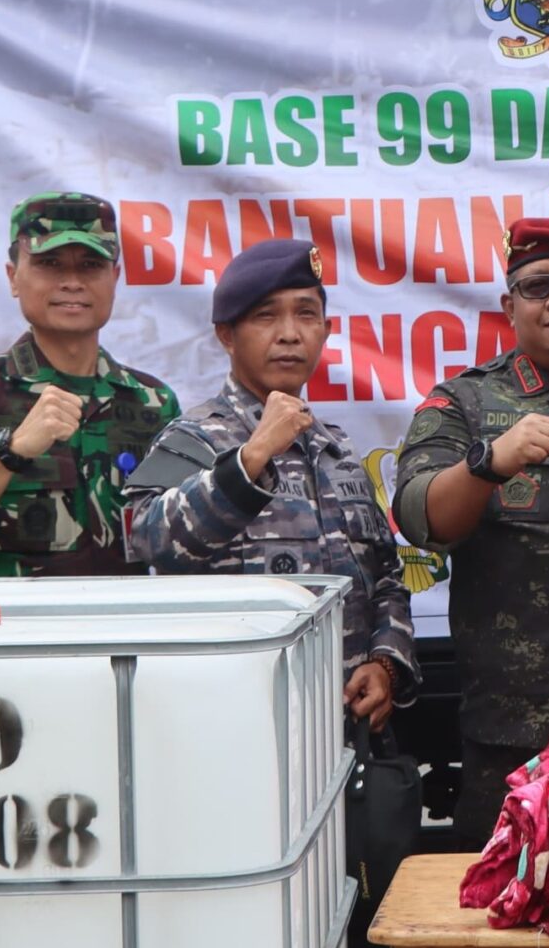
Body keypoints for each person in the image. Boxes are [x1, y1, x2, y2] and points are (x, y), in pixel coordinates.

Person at [390, 219, 549, 847]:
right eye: (537, 288)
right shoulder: (467, 401)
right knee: (505, 894)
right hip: (514, 731)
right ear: (509, 308)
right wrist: (488, 463)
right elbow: (420, 518)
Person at [125, 238, 416, 734]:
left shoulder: (337, 449)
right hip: (237, 727)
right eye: (266, 316)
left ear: (325, 330)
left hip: (346, 728)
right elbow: (149, 539)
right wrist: (250, 458)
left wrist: (386, 663)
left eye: (306, 314)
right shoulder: (194, 438)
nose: (289, 334)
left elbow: (386, 576)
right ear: (226, 335)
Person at [0, 194, 180, 576]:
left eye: (91, 265)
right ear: (13, 277)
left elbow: (185, 541)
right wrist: (12, 453)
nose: (72, 282)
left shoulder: (153, 402)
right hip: (13, 617)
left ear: (115, 278)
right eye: (50, 264)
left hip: (126, 615)